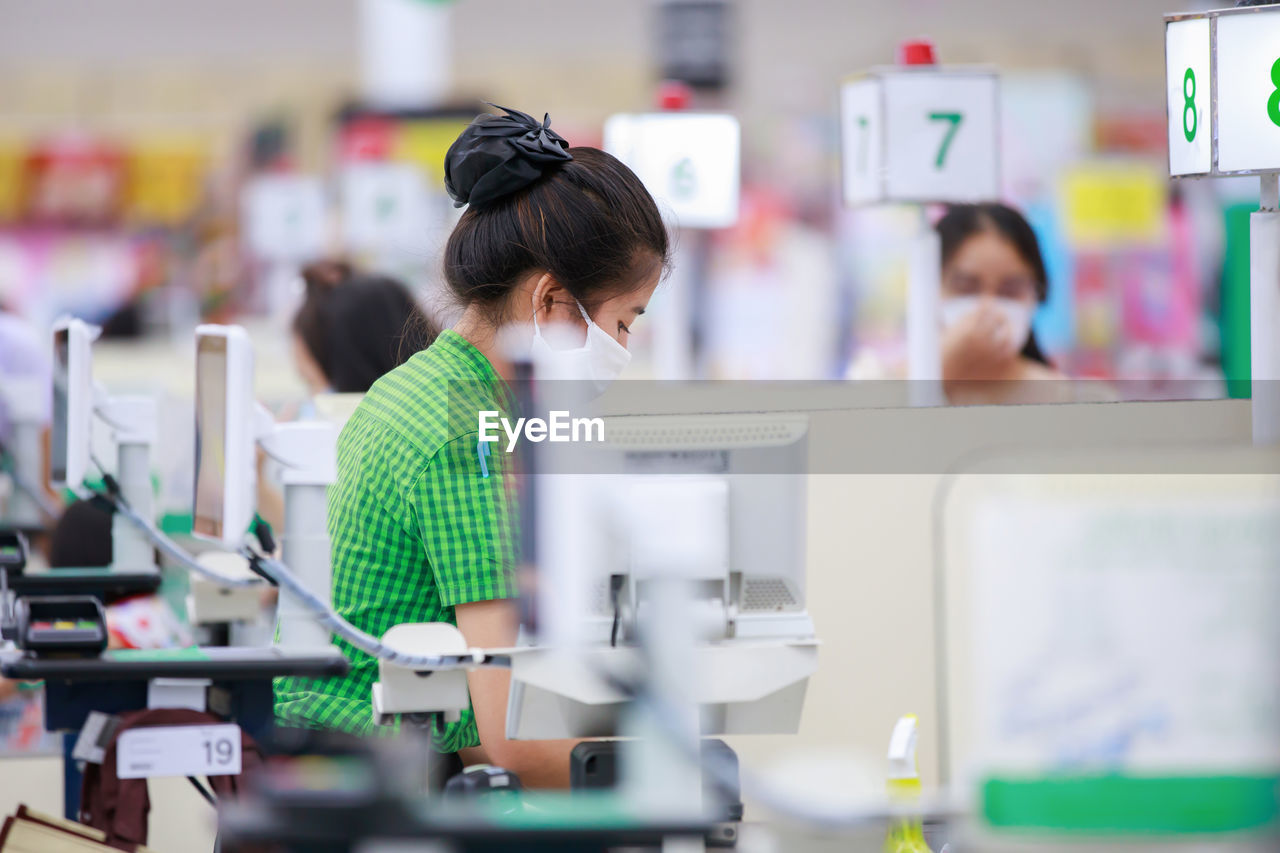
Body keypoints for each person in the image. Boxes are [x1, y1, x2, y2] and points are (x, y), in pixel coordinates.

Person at [273, 106, 669, 788]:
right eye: (622, 323)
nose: (624, 351)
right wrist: (672, 785)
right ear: (550, 301)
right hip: (381, 784)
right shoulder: (468, 430)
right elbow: (507, 741)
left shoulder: (429, 385)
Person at [257, 263, 437, 531]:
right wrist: (256, 480)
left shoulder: (402, 464)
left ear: (352, 372)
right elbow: (310, 537)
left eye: (312, 383)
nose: (312, 399)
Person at [936, 203, 1068, 405]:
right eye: (966, 287)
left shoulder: (1071, 400)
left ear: (1037, 293)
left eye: (1010, 290)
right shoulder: (885, 383)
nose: (988, 308)